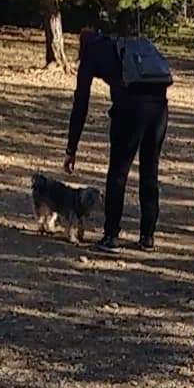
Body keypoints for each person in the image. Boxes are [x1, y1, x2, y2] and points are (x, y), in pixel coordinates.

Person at [64, 23, 171, 254]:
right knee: (150, 171)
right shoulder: (122, 45)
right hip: (160, 108)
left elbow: (81, 101)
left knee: (118, 172)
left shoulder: (92, 51)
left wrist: (71, 148)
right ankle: (147, 236)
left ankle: (111, 236)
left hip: (131, 110)